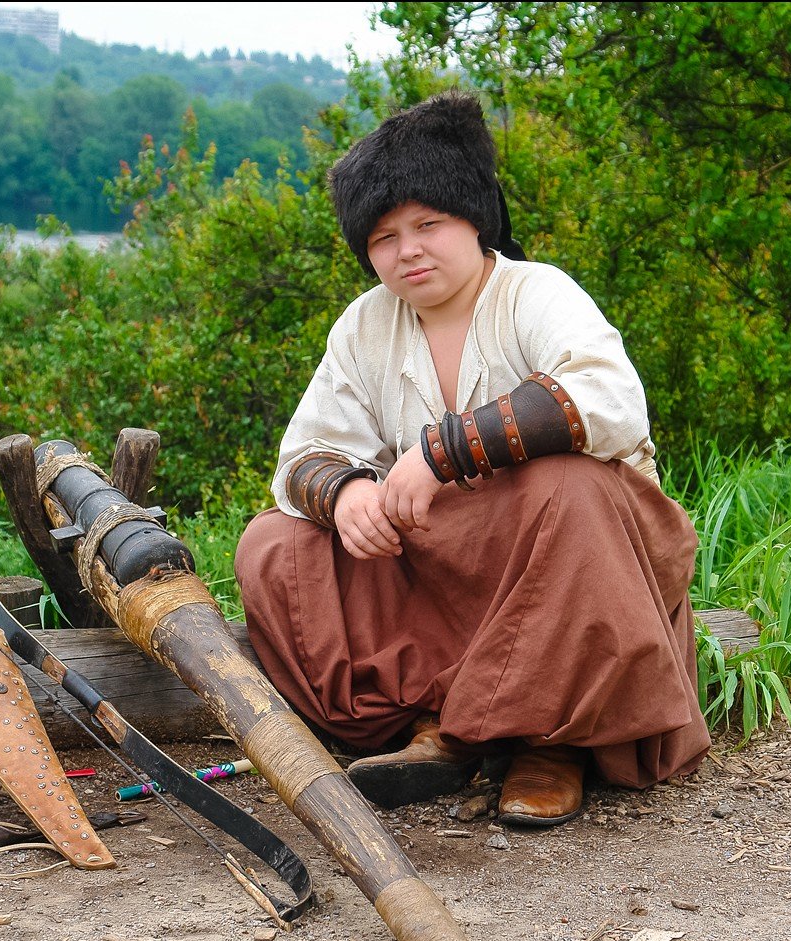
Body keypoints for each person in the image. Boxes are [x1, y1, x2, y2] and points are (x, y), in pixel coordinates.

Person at [235, 91, 709, 827]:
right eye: (384, 236)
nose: (408, 250)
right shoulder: (364, 324)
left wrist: (440, 452)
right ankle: (437, 721)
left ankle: (550, 744)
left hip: (587, 558)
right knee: (275, 541)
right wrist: (349, 493)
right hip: (453, 572)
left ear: (474, 218)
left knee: (568, 484)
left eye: (428, 224)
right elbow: (304, 455)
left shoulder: (534, 291)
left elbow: (610, 400)